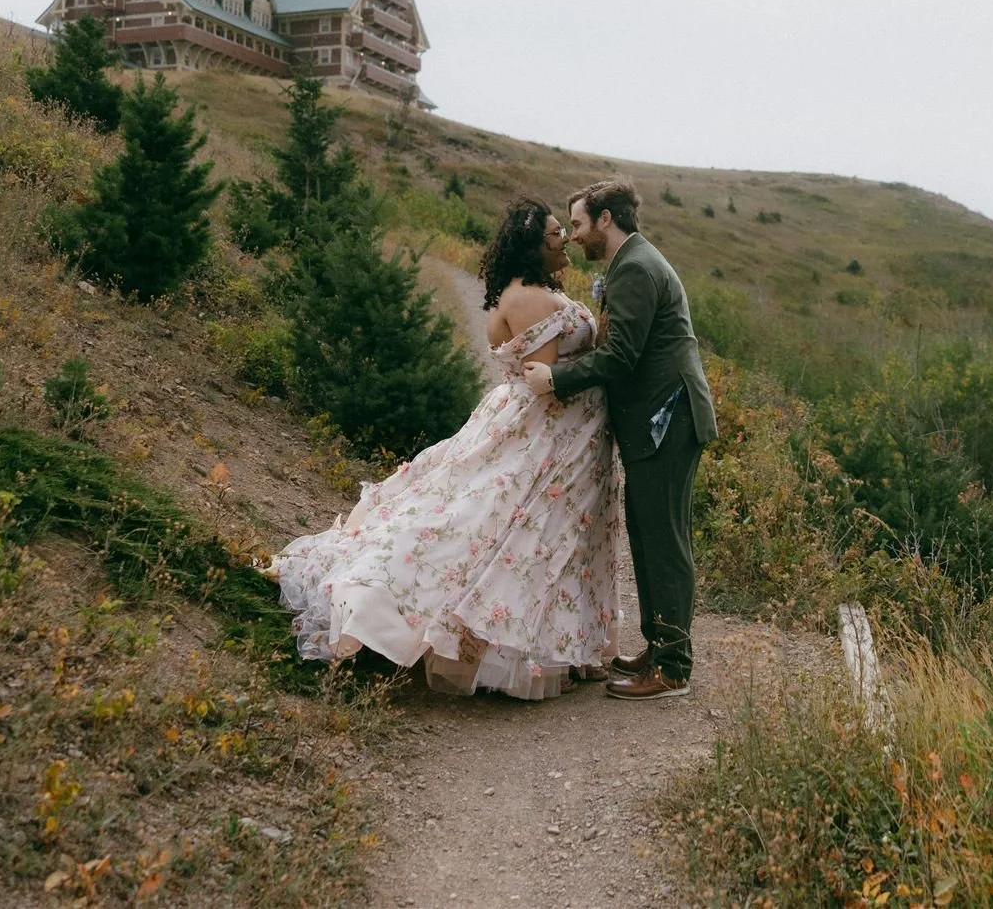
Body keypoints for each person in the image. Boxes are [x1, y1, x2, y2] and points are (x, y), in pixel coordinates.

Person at [270, 198, 619, 700]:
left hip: (569, 439)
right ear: (534, 245)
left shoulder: (538, 290)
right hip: (545, 439)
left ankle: (563, 646)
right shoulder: (526, 299)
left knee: (551, 540)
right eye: (556, 232)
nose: (565, 238)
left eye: (565, 229)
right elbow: (547, 384)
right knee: (500, 532)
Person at [524, 179, 715, 700]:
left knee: (665, 543)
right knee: (649, 536)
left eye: (580, 224)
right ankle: (660, 645)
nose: (576, 236)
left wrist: (557, 380)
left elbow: (622, 356)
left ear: (607, 219)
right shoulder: (633, 262)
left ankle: (673, 667)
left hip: (668, 419)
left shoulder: (634, 267)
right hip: (659, 420)